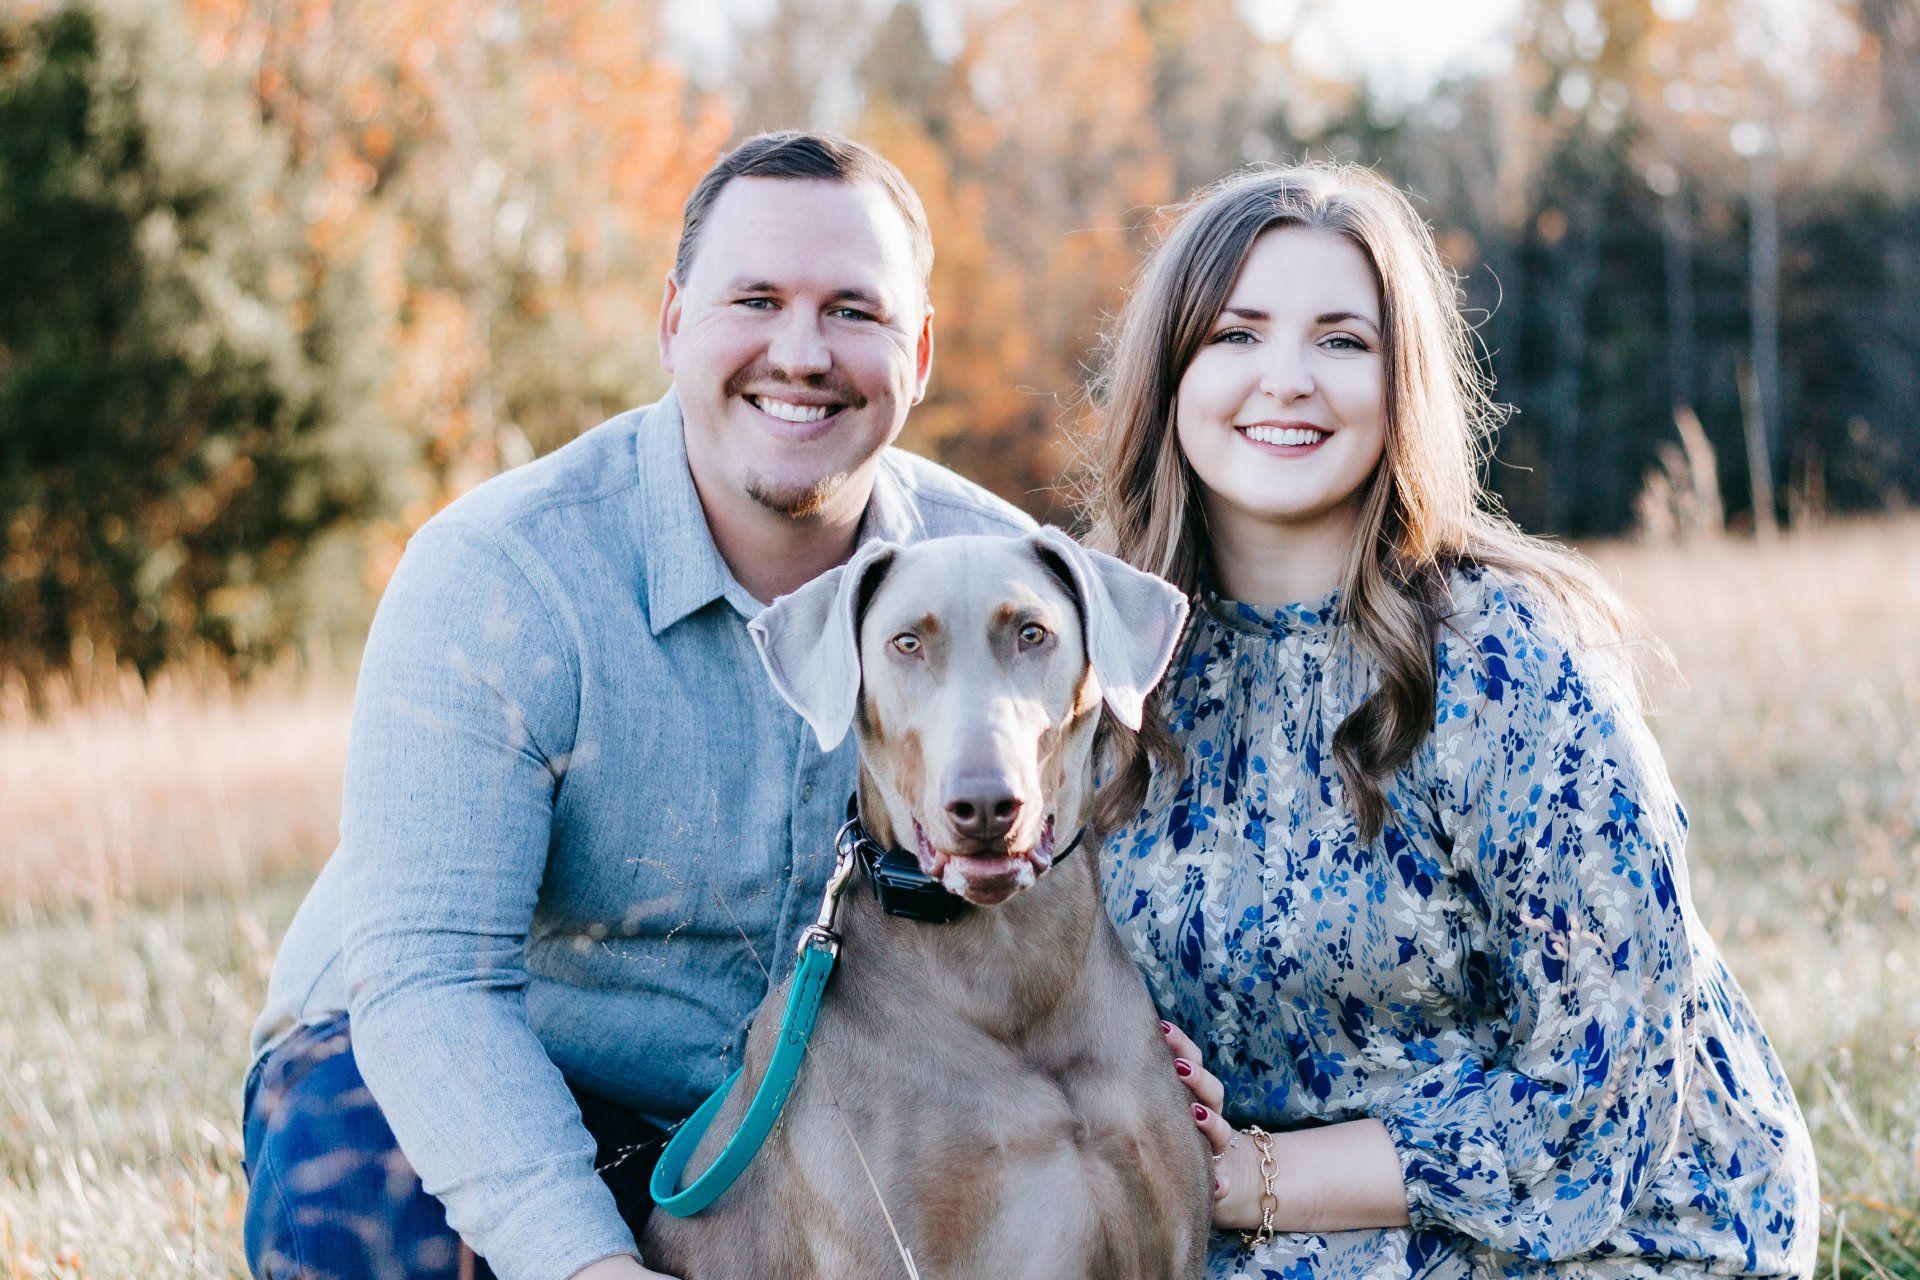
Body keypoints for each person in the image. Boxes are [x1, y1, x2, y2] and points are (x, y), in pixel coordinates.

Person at [242, 131, 1031, 1280]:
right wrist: (591, 1266)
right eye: (754, 299)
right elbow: (432, 990)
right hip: (455, 1061)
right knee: (364, 1186)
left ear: (917, 351)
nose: (800, 351)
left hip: (778, 1116)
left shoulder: (1005, 588)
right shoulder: (503, 575)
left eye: (853, 312)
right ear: (672, 323)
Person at [1084, 163, 1818, 1279]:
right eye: (1235, 334)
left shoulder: (1511, 664)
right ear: (1170, 373)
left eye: (1343, 340)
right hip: (1269, 1212)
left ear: (1402, 382)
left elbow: (1602, 1079)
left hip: (1617, 1209)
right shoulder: (1108, 660)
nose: (1286, 379)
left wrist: (1252, 1182)